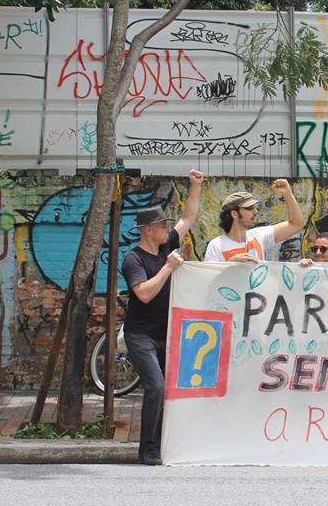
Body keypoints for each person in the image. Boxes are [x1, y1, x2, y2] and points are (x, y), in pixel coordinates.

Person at [120, 169, 203, 465]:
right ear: (147, 230)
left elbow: (188, 218)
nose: (167, 229)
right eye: (162, 226)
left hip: (166, 333)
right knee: (156, 386)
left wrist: (195, 186)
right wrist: (168, 268)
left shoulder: (166, 245)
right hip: (140, 335)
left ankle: (168, 443)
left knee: (171, 389)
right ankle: (148, 449)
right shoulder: (133, 259)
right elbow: (143, 293)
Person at [203, 179, 304, 262]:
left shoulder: (258, 235)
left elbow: (296, 224)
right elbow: (209, 277)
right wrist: (230, 264)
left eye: (255, 208)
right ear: (234, 214)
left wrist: (287, 193)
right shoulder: (216, 245)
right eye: (249, 208)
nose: (255, 212)